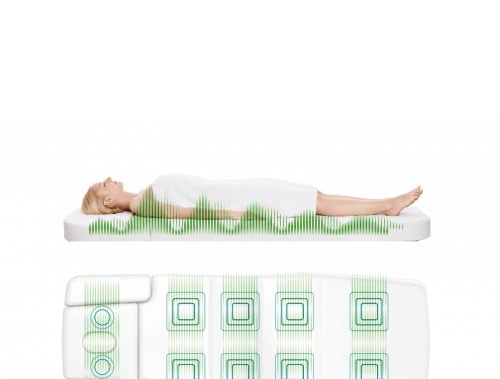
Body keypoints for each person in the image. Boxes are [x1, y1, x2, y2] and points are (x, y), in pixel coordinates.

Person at [81, 172, 423, 219]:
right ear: (108, 201)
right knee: (317, 204)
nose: (108, 180)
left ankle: (386, 203)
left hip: (239, 190)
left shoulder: (143, 194)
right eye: (102, 185)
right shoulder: (139, 203)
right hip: (237, 200)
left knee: (316, 196)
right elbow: (187, 212)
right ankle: (388, 206)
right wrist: (233, 215)